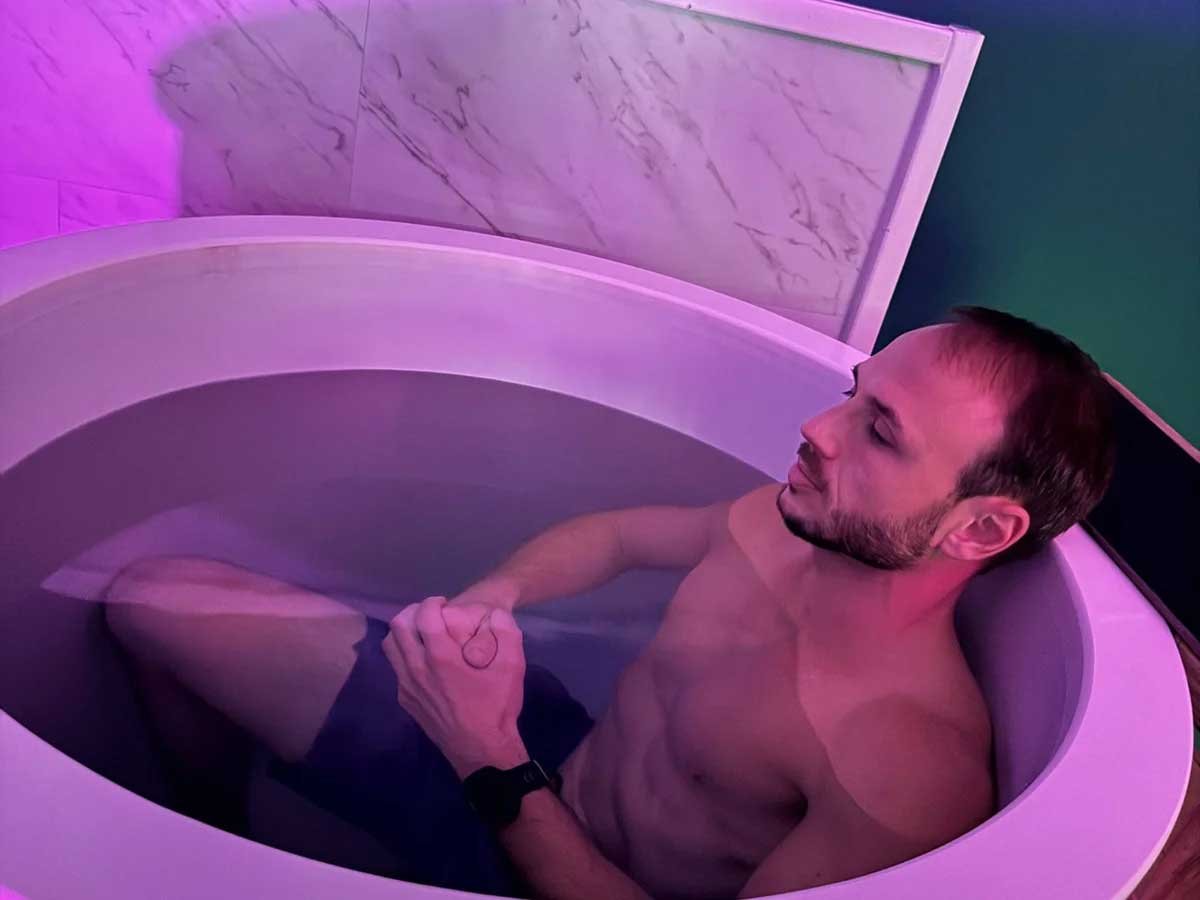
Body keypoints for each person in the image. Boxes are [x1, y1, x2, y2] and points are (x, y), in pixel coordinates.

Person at [103, 306, 1116, 899]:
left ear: (980, 531)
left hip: (541, 848)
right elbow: (619, 539)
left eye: (880, 431)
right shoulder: (786, 520)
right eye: (855, 392)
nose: (818, 426)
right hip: (529, 750)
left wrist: (486, 755)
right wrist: (491, 603)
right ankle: (217, 830)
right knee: (152, 599)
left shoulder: (904, 773)